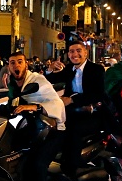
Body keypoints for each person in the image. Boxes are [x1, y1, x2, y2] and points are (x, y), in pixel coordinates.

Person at [6, 51, 66, 181]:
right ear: (8, 67)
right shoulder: (13, 83)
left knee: (38, 164)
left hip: (55, 130)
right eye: (12, 63)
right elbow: (11, 102)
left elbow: (57, 104)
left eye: (19, 62)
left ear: (26, 65)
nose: (16, 66)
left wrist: (36, 106)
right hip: (35, 129)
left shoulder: (37, 81)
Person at [45, 38, 106, 172]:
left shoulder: (96, 69)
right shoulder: (69, 69)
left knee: (72, 130)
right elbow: (51, 80)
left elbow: (97, 94)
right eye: (71, 51)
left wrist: (72, 100)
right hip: (72, 111)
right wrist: (49, 69)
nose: (75, 54)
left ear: (85, 53)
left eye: (78, 51)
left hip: (93, 113)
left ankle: (73, 166)